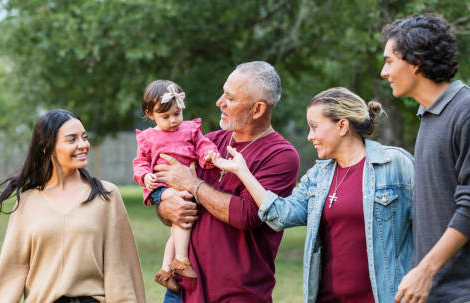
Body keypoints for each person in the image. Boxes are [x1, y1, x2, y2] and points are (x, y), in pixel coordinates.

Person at [211, 87, 415, 303]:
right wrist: (243, 171)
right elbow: (281, 215)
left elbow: (430, 227)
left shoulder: (395, 165)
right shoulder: (318, 175)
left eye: (314, 127)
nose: (310, 136)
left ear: (342, 125)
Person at [380, 14, 470, 303]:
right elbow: (452, 203)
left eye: (390, 61)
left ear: (416, 62)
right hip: (434, 292)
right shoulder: (429, 117)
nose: (383, 72)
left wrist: (425, 270)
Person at [151, 61, 300, 302]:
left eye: (229, 98)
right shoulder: (208, 142)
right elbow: (170, 196)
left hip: (237, 293)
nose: (219, 102)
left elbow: (247, 215)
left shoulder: (281, 155)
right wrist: (165, 207)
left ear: (257, 109)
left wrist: (193, 185)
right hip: (183, 291)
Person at [0, 109, 146, 303]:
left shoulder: (107, 196)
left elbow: (120, 268)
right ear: (47, 147)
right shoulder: (27, 202)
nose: (83, 145)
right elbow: (11, 271)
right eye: (72, 139)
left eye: (84, 137)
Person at [133, 80, 218, 292]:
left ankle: (165, 270)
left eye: (177, 113)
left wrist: (208, 155)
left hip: (185, 183)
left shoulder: (190, 129)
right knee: (183, 209)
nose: (173, 120)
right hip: (161, 186)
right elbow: (140, 162)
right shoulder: (148, 137)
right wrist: (145, 177)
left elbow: (202, 145)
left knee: (177, 228)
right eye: (166, 116)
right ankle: (181, 260)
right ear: (150, 114)